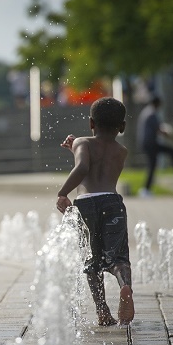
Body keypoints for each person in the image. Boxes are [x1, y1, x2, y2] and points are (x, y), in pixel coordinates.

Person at [56, 97, 134, 326]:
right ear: (122, 126)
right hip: (112, 203)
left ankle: (102, 311)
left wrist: (62, 193)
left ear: (91, 123)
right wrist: (78, 148)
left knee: (93, 260)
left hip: (86, 205)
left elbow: (83, 167)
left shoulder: (83, 142)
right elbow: (99, 164)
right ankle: (124, 285)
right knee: (118, 257)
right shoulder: (122, 151)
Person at [136, 96, 173, 197]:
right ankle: (146, 190)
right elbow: (159, 129)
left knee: (155, 163)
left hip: (148, 143)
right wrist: (172, 136)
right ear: (157, 103)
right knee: (169, 152)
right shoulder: (151, 113)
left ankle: (146, 190)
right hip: (150, 143)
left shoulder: (147, 112)